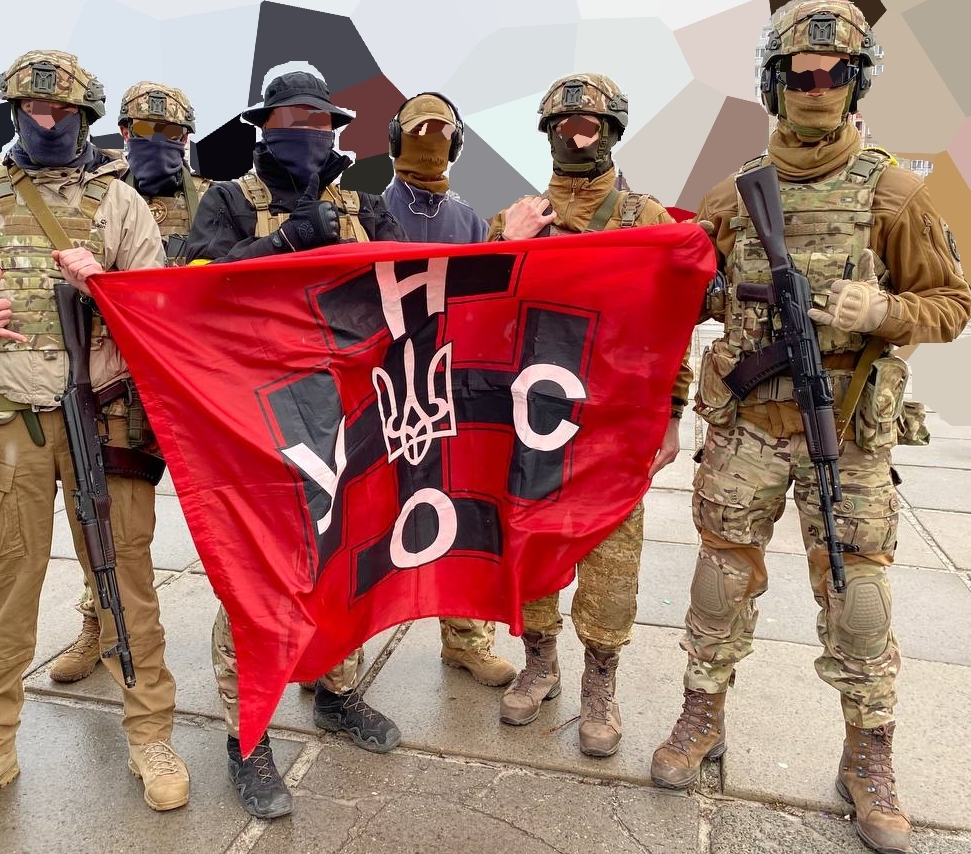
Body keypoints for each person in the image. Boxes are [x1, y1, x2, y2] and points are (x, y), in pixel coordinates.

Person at [648, 0, 971, 854]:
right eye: (801, 73)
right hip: (748, 429)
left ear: (857, 83)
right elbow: (677, 289)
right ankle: (701, 716)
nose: (818, 86)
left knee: (859, 600)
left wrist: (886, 311)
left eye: (835, 73)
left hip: (848, 436)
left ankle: (869, 758)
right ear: (775, 84)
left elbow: (951, 303)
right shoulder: (733, 195)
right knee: (720, 581)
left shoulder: (895, 194)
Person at [0, 50, 190, 828]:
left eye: (62, 111)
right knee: (2, 591)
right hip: (9, 421)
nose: (47, 120)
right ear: (13, 112)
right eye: (33, 108)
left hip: (106, 420)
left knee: (126, 584)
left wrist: (107, 285)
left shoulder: (122, 204)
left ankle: (152, 738)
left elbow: (163, 308)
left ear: (85, 118)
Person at [186, 65, 406, 820]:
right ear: (262, 128)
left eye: (318, 123)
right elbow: (195, 287)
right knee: (255, 573)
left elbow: (413, 283)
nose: (305, 135)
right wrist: (282, 242)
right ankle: (247, 736)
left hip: (348, 415)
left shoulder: (364, 205)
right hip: (254, 420)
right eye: (289, 122)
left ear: (335, 131)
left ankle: (337, 691)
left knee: (347, 556)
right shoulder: (226, 201)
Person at [486, 73, 692, 758]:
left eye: (588, 126)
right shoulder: (519, 216)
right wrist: (507, 243)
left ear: (612, 132)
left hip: (613, 424)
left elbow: (673, 325)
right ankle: (539, 662)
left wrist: (671, 415)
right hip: (534, 420)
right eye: (562, 127)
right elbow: (476, 313)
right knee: (532, 544)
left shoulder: (645, 219)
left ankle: (600, 681)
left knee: (611, 555)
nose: (574, 138)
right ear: (546, 134)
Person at [49, 80, 212, 686]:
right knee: (104, 517)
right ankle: (98, 620)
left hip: (191, 382)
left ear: (186, 137)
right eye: (144, 129)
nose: (158, 140)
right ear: (122, 131)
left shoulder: (213, 200)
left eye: (170, 131)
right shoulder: (96, 196)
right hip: (115, 381)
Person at [379, 91, 518, 688]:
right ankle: (340, 653)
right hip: (381, 385)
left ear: (456, 144)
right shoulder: (367, 212)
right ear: (395, 140)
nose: (429, 143)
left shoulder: (469, 221)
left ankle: (466, 639)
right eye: (418, 132)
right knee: (371, 515)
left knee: (458, 508)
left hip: (448, 385)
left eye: (441, 133)